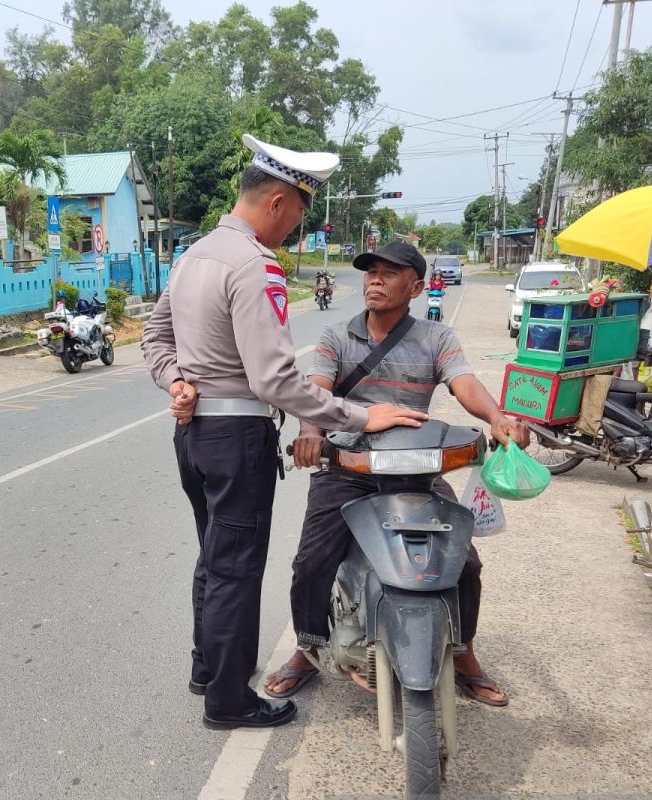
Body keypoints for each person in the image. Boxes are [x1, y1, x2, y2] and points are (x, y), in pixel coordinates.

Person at [141, 133, 427, 731]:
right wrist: (357, 416)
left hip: (193, 435)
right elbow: (274, 379)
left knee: (214, 557)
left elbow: (155, 339)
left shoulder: (193, 255)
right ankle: (228, 700)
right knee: (237, 567)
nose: (296, 228)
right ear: (277, 202)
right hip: (236, 437)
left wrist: (175, 382)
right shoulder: (254, 263)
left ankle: (207, 669)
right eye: (298, 213)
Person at [261, 242, 530, 707]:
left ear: (418, 287)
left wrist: (496, 418)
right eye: (371, 272)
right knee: (311, 562)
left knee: (465, 564)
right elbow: (315, 392)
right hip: (346, 465)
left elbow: (464, 383)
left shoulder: (435, 337)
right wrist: (309, 432)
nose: (375, 280)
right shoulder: (336, 337)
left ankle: (464, 654)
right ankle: (308, 646)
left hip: (416, 470)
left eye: (389, 273)